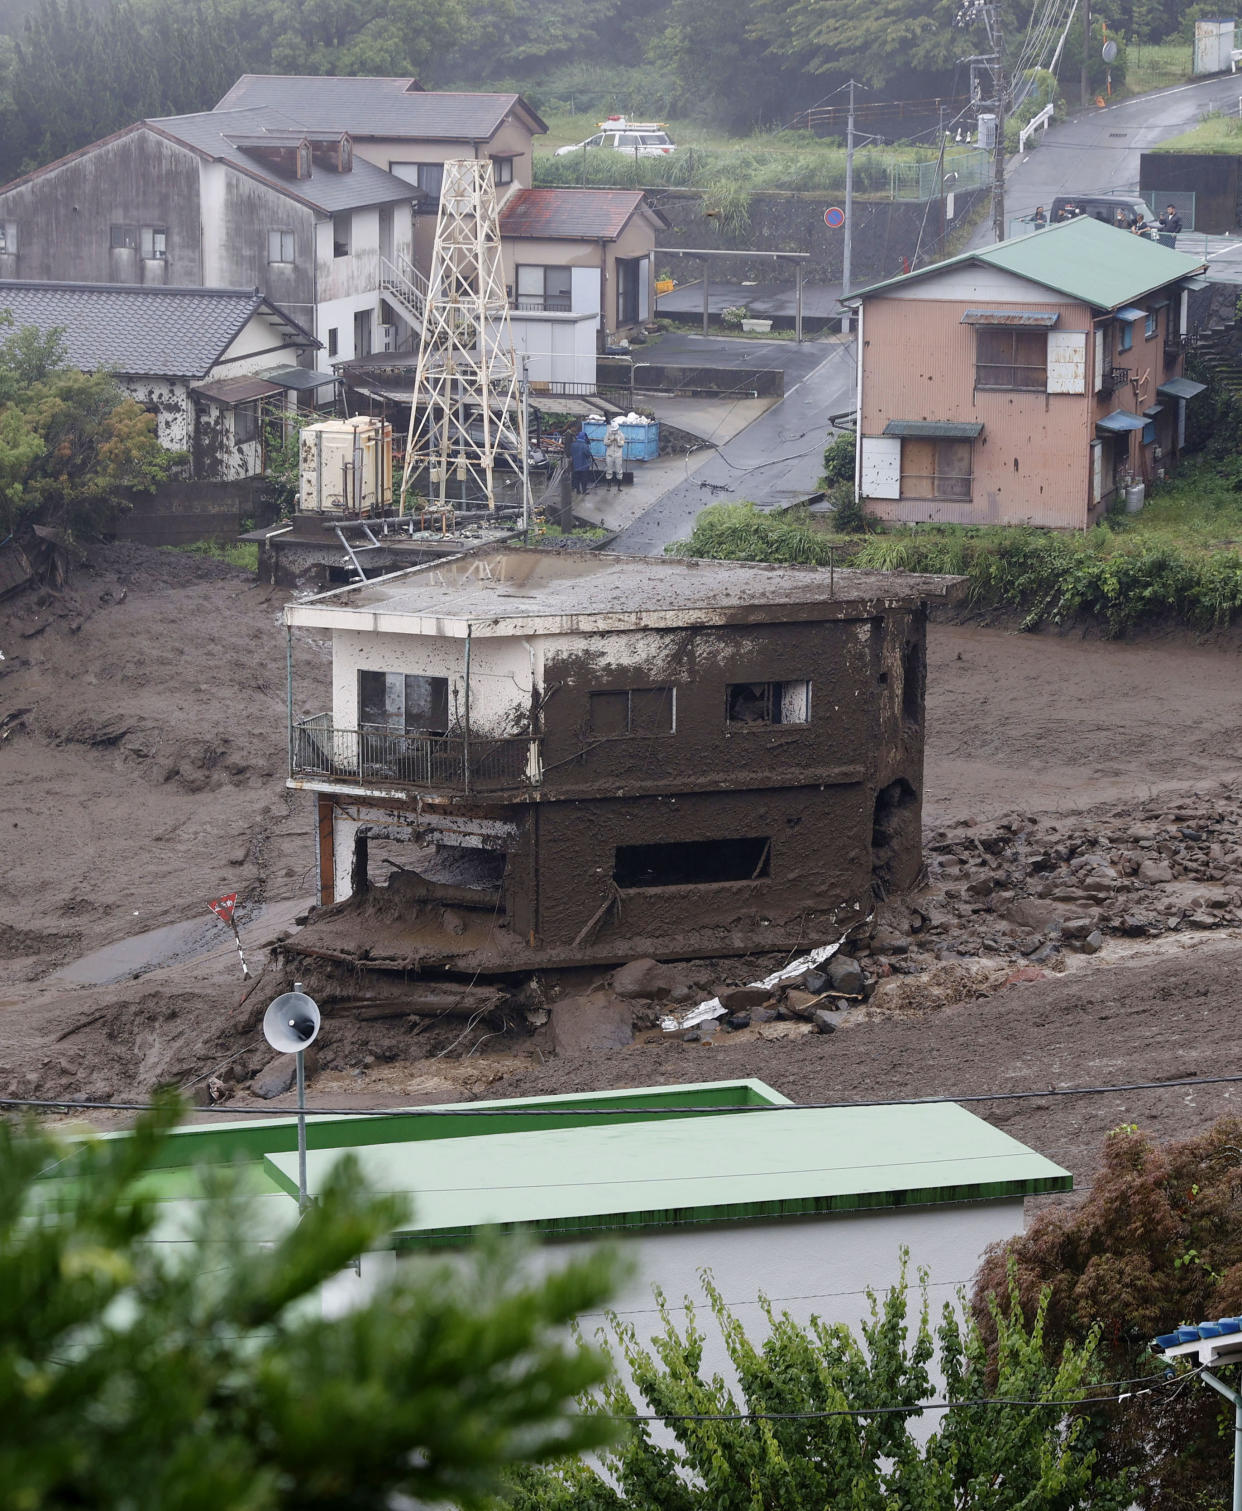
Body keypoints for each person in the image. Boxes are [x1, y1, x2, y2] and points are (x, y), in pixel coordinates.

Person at [603, 421, 626, 492]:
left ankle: (619, 486)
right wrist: (610, 440)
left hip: (618, 455)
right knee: (609, 470)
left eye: (615, 430)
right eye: (613, 430)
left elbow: (622, 444)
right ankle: (609, 486)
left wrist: (617, 441)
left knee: (619, 470)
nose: (614, 432)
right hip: (609, 454)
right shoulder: (608, 434)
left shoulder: (621, 435)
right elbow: (605, 442)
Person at [569, 427, 593, 494]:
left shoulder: (573, 444)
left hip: (575, 465)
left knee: (576, 478)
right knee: (584, 479)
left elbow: (571, 453)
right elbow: (588, 454)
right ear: (584, 437)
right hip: (584, 466)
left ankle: (578, 491)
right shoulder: (584, 445)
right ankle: (584, 491)